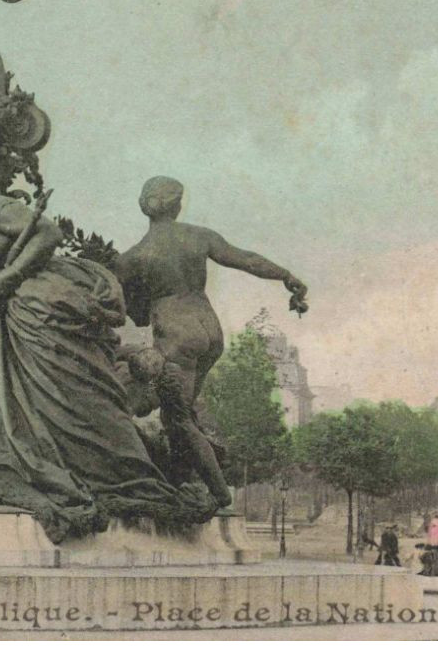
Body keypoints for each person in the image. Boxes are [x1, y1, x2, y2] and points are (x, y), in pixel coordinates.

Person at [0, 170, 214, 542]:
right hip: (16, 326)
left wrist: (10, 274)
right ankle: (81, 468)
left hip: (42, 306)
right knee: (44, 408)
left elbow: (49, 233)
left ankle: (120, 469)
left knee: (73, 395)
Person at [111, 177, 307, 507]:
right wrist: (287, 276)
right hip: (209, 330)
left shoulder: (134, 257)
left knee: (177, 419)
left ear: (144, 206)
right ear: (176, 205)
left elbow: (135, 315)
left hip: (177, 335)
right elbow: (247, 259)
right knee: (181, 410)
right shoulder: (198, 236)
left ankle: (218, 494)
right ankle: (180, 478)